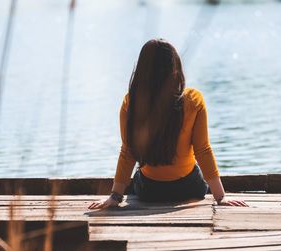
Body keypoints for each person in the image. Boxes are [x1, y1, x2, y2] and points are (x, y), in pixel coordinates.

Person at [88, 39, 248, 209]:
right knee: (194, 169)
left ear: (142, 69)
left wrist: (115, 196)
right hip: (190, 188)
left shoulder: (131, 102)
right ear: (175, 68)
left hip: (149, 191)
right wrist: (220, 197)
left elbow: (128, 152)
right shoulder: (193, 99)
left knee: (138, 175)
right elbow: (202, 150)